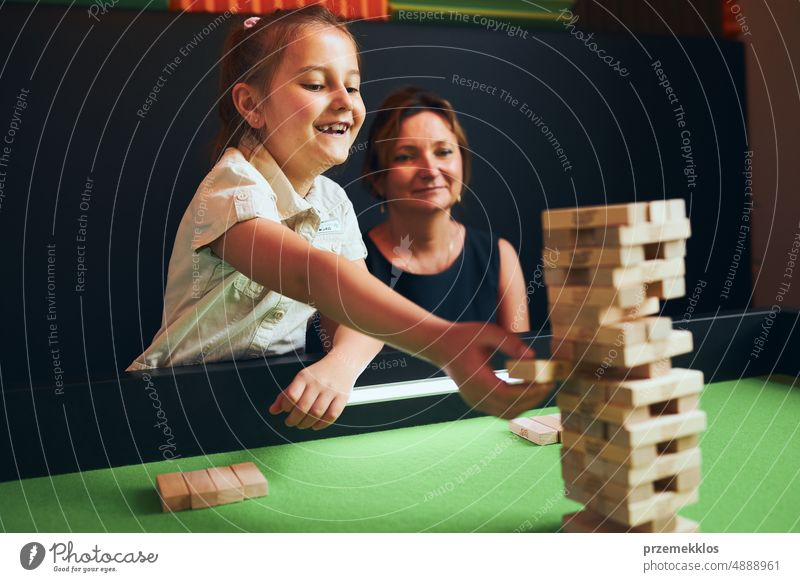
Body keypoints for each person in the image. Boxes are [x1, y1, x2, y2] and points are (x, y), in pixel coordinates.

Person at [128, 7, 549, 431]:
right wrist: (444, 343)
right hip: (170, 404)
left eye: (352, 86)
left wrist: (340, 367)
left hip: (263, 400)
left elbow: (357, 307)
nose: (345, 101)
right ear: (251, 105)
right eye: (315, 84)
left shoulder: (333, 202)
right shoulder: (231, 187)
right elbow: (315, 277)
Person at [361, 87, 530, 332]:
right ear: (378, 177)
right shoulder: (354, 264)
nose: (430, 170)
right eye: (406, 156)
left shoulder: (500, 257)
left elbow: (518, 367)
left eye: (443, 152)